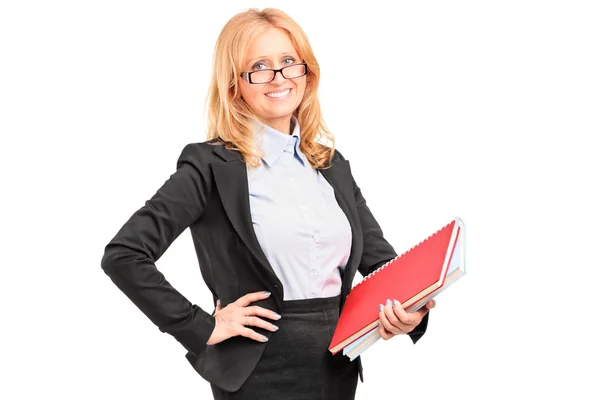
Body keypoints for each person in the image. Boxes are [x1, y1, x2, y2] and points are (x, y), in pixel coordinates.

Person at [100, 7, 435, 400]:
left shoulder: (331, 165)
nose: (278, 78)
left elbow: (383, 266)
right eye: (259, 66)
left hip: (337, 367)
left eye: (289, 62)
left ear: (307, 73)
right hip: (257, 375)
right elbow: (124, 254)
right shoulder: (210, 166)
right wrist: (200, 327)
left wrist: (412, 315)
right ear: (234, 84)